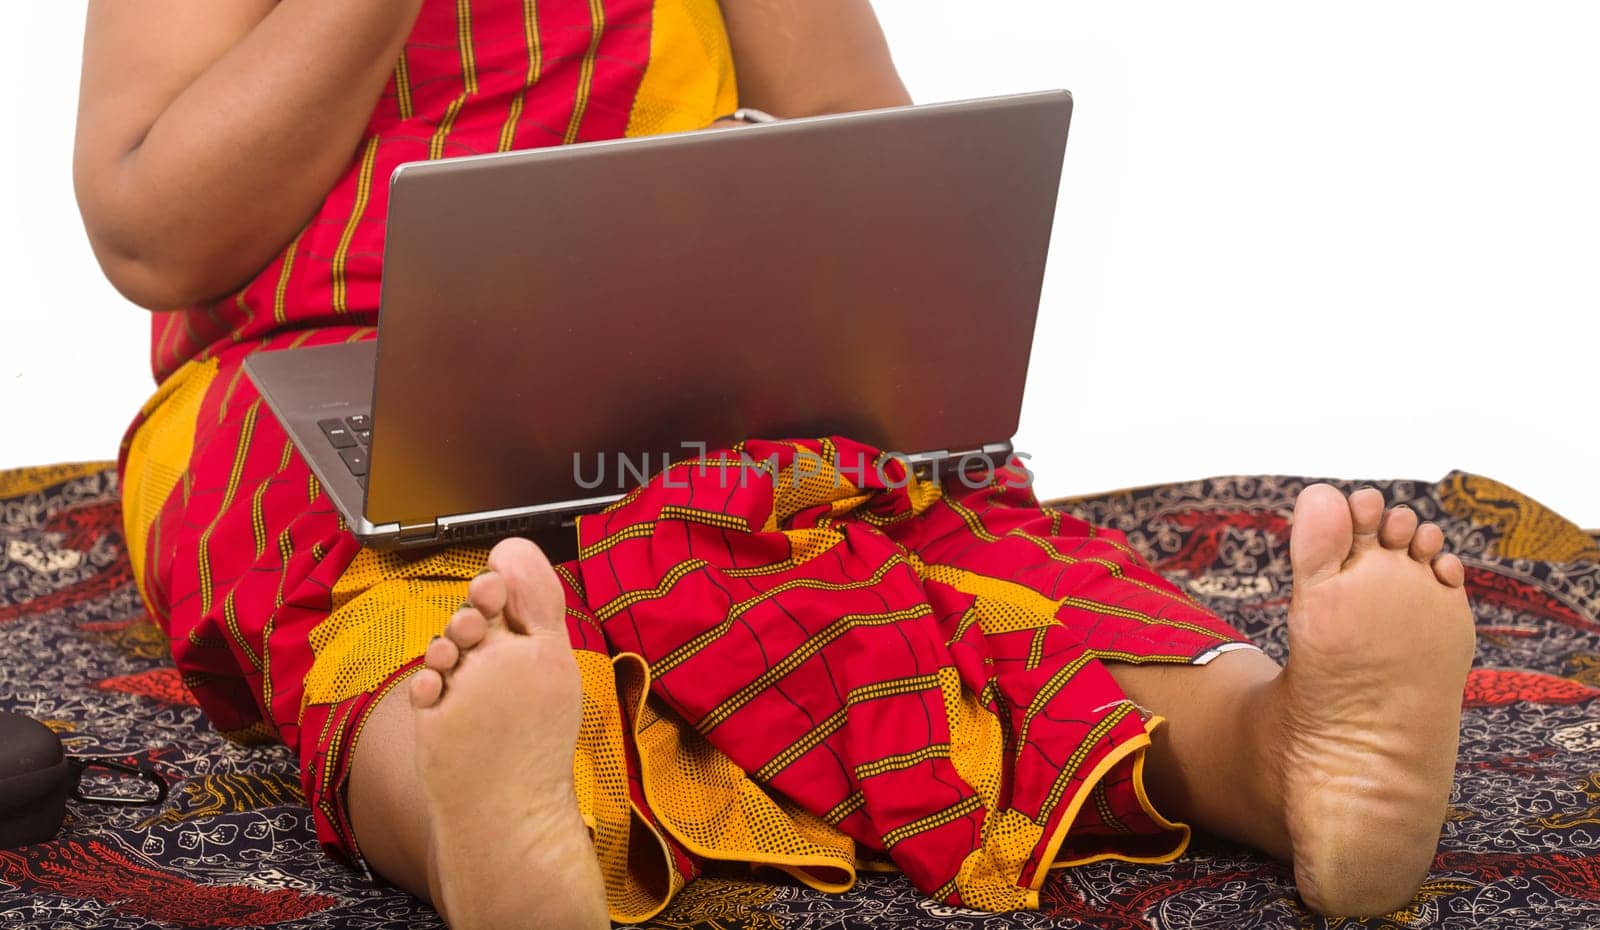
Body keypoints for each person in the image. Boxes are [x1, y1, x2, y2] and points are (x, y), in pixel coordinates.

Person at [73, 2, 1476, 928]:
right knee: (357, 586)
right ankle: (470, 808)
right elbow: (155, 233)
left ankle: (1275, 748)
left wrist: (853, 346)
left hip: (682, 349)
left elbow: (861, 142)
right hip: (323, 370)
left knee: (933, 528)